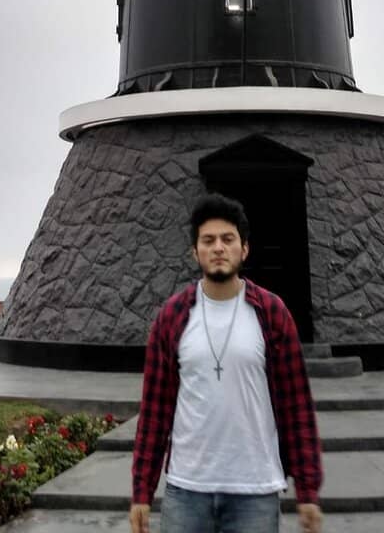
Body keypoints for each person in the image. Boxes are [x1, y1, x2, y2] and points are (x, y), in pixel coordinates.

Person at [130, 194, 322, 533]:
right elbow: (155, 409)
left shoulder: (271, 313)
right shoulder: (173, 317)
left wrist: (307, 490)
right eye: (209, 240)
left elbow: (296, 406)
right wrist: (142, 491)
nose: (219, 247)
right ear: (195, 252)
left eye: (228, 239)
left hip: (255, 490)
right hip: (187, 488)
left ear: (244, 249)